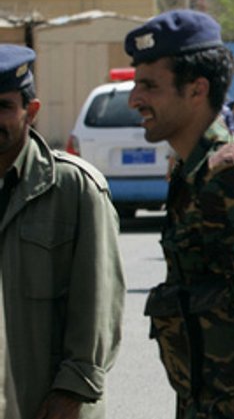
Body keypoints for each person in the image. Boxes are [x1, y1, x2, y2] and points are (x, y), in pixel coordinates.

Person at [125, 10, 234, 419]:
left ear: (196, 90)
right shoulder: (191, 171)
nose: (134, 99)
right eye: (136, 84)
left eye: (149, 86)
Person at [0, 44, 125, 419]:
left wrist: (71, 391)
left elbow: (99, 305)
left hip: (47, 405)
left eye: (3, 107)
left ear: (31, 111)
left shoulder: (75, 188)